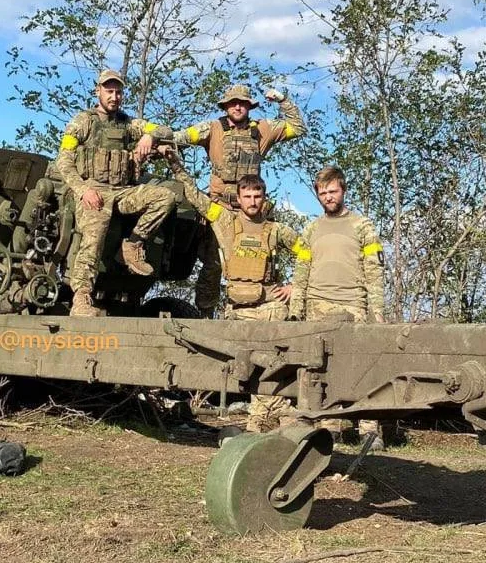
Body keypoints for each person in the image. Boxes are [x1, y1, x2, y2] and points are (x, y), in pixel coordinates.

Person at [159, 144, 297, 432]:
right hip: (238, 313)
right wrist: (175, 164)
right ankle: (266, 416)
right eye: (247, 196)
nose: (252, 201)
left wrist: (297, 286)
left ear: (264, 198)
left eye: (257, 196)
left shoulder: (276, 230)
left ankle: (269, 416)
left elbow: (309, 252)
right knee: (248, 368)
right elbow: (195, 196)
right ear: (239, 198)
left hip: (271, 311)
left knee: (275, 365)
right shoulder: (224, 221)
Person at [172, 84, 306, 316]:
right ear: (225, 106)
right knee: (214, 264)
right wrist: (155, 144)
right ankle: (206, 315)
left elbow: (298, 127)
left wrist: (283, 100)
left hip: (254, 212)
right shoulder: (212, 129)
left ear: (249, 107)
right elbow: (178, 138)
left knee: (266, 262)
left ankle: (265, 310)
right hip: (221, 210)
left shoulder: (263, 129)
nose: (237, 106)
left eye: (242, 103)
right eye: (233, 102)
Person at [55, 69, 176, 317]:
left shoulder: (129, 124)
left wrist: (149, 137)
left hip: (122, 192)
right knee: (94, 235)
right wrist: (83, 190)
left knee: (165, 197)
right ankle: (81, 298)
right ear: (98, 91)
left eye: (118, 92)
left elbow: (166, 131)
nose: (114, 96)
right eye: (109, 91)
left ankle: (131, 245)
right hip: (93, 190)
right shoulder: (82, 121)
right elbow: (64, 162)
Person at [289, 164, 386, 444]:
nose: (328, 197)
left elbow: (374, 271)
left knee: (361, 367)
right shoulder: (311, 229)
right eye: (322, 193)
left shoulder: (362, 226)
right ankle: (328, 425)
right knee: (320, 369)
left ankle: (368, 429)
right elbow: (301, 273)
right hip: (317, 306)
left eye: (332, 191)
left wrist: (376, 311)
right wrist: (296, 310)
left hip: (353, 305)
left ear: (343, 190)